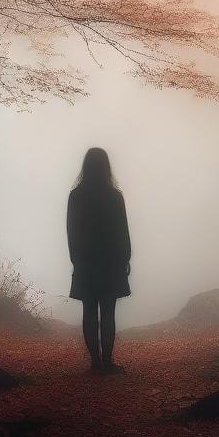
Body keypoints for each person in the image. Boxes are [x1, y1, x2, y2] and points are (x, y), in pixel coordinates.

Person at [67, 147, 131, 374]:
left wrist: (76, 259)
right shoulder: (114, 197)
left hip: (86, 262)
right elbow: (123, 232)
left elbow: (71, 232)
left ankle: (95, 361)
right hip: (111, 262)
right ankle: (108, 361)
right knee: (108, 312)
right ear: (107, 168)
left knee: (89, 311)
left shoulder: (76, 196)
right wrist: (125, 258)